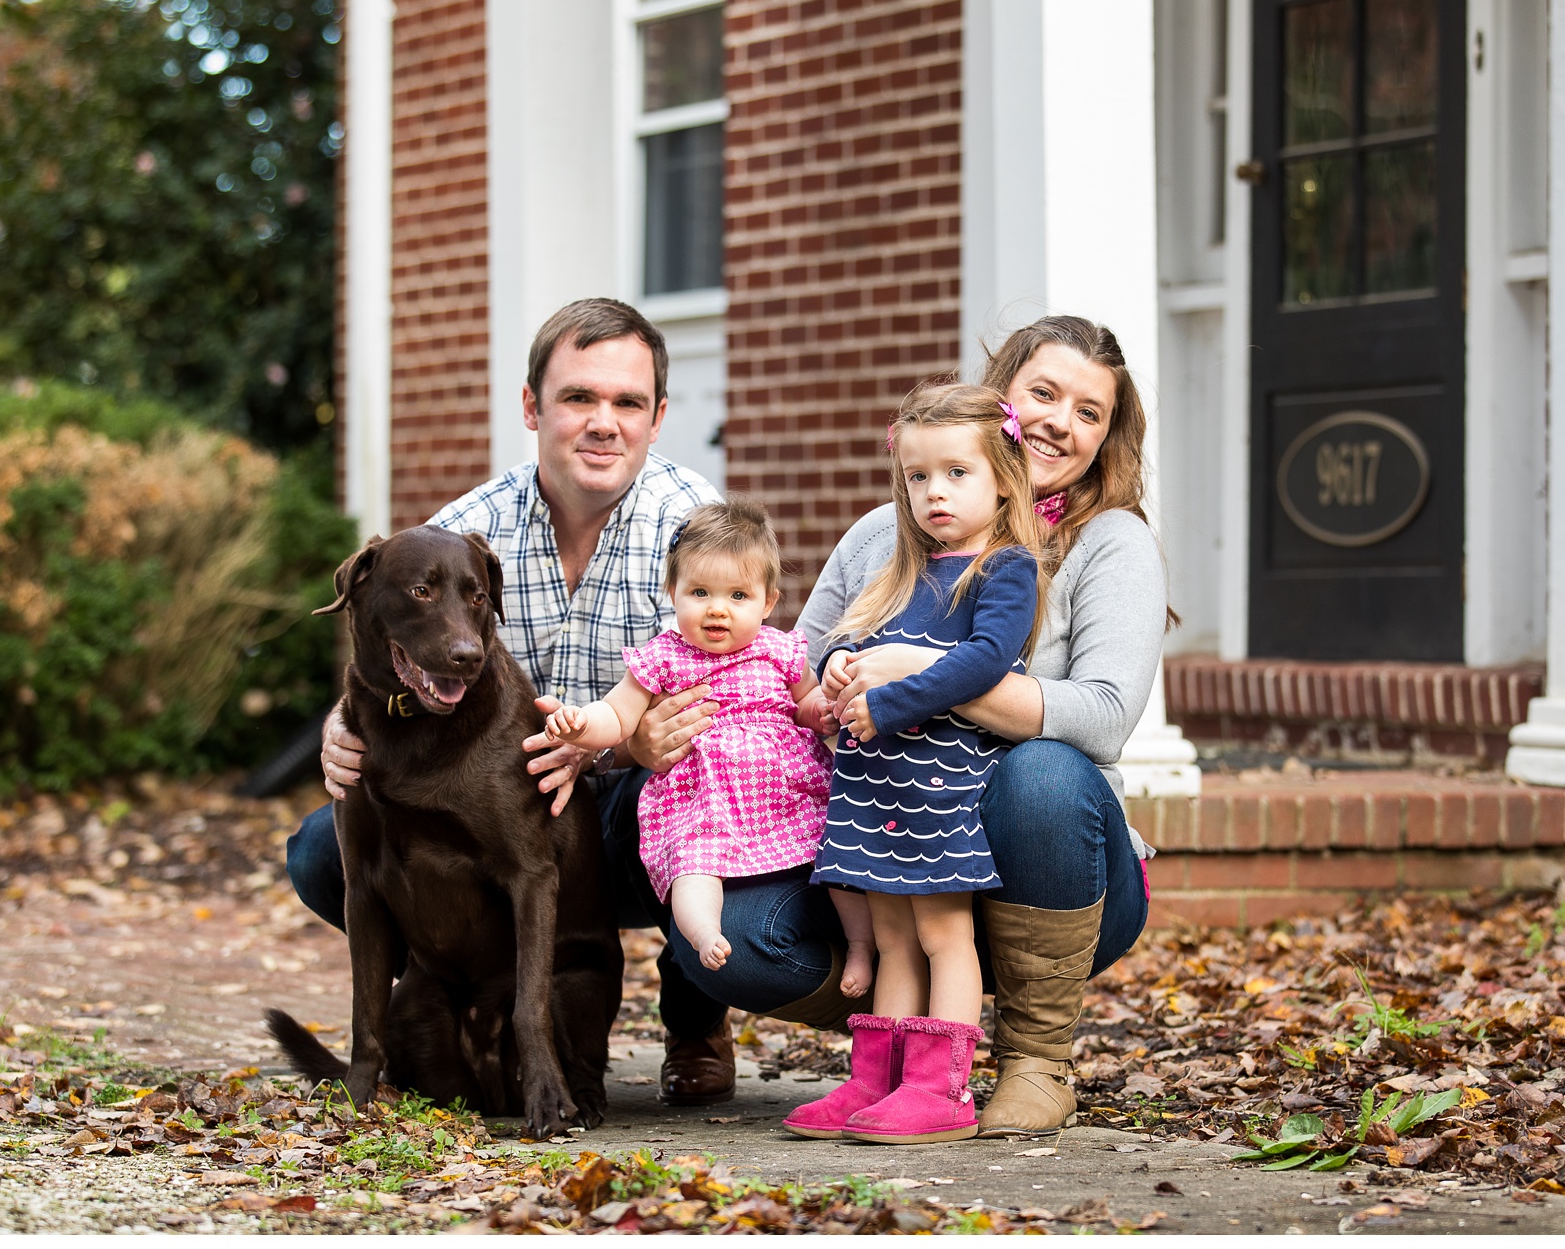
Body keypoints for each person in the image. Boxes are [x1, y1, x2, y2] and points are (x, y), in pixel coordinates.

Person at [600, 314, 1165, 1139]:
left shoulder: (1108, 543)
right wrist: (820, 692)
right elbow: (806, 663)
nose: (1058, 421)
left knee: (1042, 771)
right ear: (997, 397)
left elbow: (1105, 717)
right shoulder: (886, 530)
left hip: (1048, 864)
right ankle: (893, 1065)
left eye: (1089, 412)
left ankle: (1036, 1059)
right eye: (1043, 392)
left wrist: (910, 675)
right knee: (729, 940)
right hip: (888, 823)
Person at [291, 297, 788, 1106]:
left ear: (658, 417)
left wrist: (621, 743)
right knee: (324, 849)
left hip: (641, 804)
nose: (604, 422)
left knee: (700, 826)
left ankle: (695, 1017)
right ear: (532, 407)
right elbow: (391, 624)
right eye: (579, 398)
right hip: (502, 808)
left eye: (627, 402)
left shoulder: (693, 529)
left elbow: (734, 698)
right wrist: (340, 723)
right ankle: (449, 1008)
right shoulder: (471, 525)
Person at [784, 383, 1043, 1144]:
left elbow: (987, 662)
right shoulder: (904, 566)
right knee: (893, 937)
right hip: (870, 786)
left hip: (938, 787)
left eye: (957, 473)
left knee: (941, 935)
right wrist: (835, 670)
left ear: (1003, 476)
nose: (935, 492)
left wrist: (892, 702)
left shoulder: (1005, 569)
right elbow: (846, 636)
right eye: (919, 475)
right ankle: (877, 1081)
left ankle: (942, 1088)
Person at [543, 499, 874, 995]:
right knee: (693, 869)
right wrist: (578, 723)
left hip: (792, 794)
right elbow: (617, 715)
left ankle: (863, 949)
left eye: (738, 595)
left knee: (837, 863)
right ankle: (704, 934)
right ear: (673, 593)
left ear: (766, 603)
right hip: (706, 802)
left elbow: (804, 700)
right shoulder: (662, 658)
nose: (717, 608)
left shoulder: (779, 649)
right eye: (700, 592)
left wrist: (821, 712)